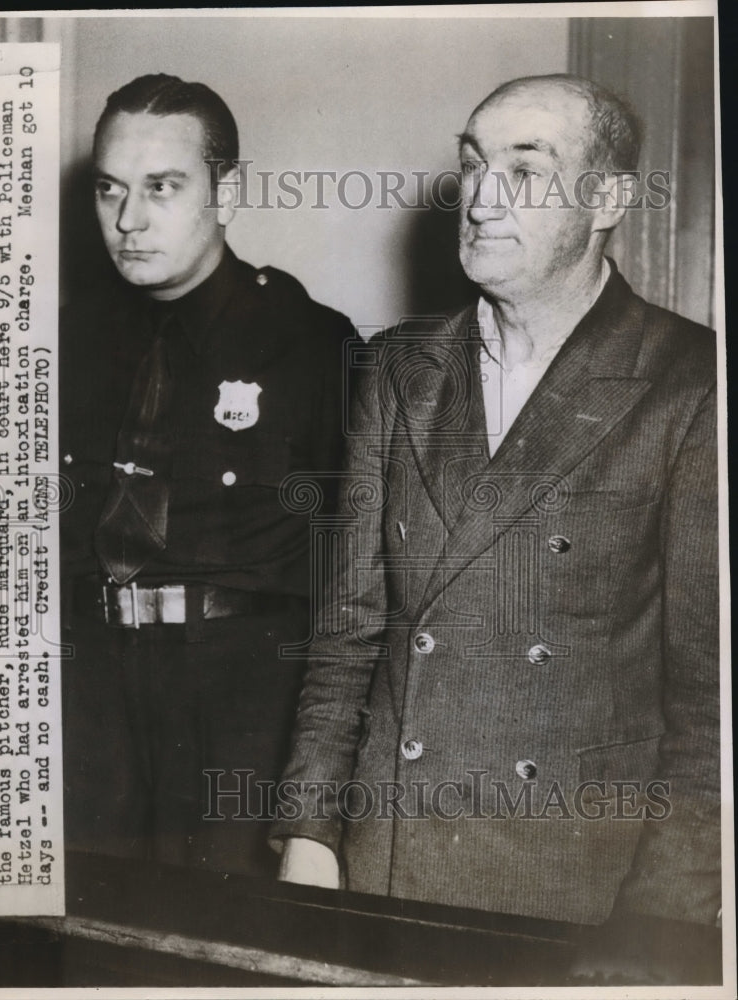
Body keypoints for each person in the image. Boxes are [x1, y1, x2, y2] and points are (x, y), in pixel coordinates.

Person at [272, 75, 720, 980]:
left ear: (606, 199)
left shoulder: (689, 383)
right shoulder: (403, 366)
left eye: (525, 168)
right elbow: (348, 633)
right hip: (387, 858)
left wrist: (658, 928)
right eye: (472, 162)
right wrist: (309, 831)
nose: (479, 195)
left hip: (571, 897)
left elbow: (713, 710)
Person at [59, 74, 353, 876]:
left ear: (228, 192)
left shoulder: (310, 344)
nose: (128, 220)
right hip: (88, 701)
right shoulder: (62, 340)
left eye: (162, 188)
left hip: (241, 707)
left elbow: (359, 579)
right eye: (110, 189)